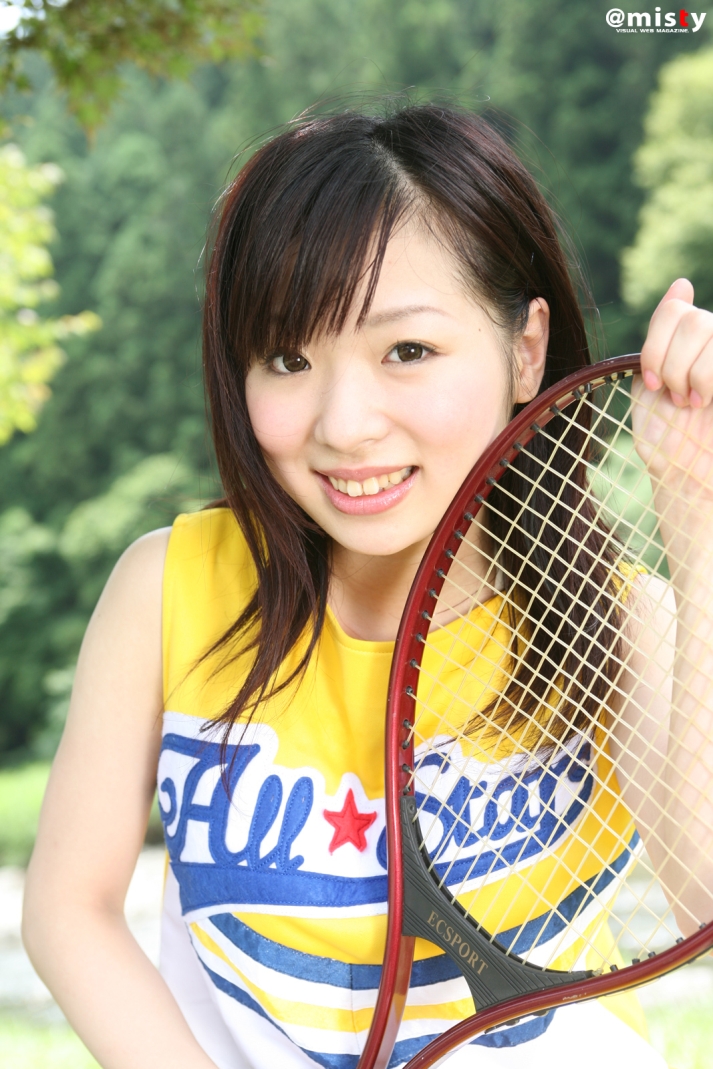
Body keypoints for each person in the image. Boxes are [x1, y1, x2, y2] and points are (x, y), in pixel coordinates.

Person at [20, 105, 713, 1069]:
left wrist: (692, 504)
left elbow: (702, 896)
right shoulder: (168, 589)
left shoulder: (616, 615)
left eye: (407, 351)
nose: (344, 424)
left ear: (525, 350)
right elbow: (68, 910)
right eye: (288, 358)